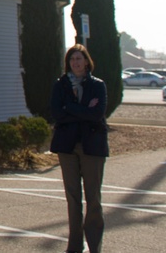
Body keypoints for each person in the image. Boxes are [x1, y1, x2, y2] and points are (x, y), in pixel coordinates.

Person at [50, 44, 108, 253]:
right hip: (67, 147)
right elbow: (57, 113)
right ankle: (74, 247)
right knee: (73, 198)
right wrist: (83, 109)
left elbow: (97, 114)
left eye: (79, 59)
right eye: (72, 59)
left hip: (92, 147)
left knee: (93, 198)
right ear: (68, 62)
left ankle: (94, 246)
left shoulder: (98, 85)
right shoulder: (60, 85)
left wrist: (70, 108)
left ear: (86, 62)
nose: (75, 63)